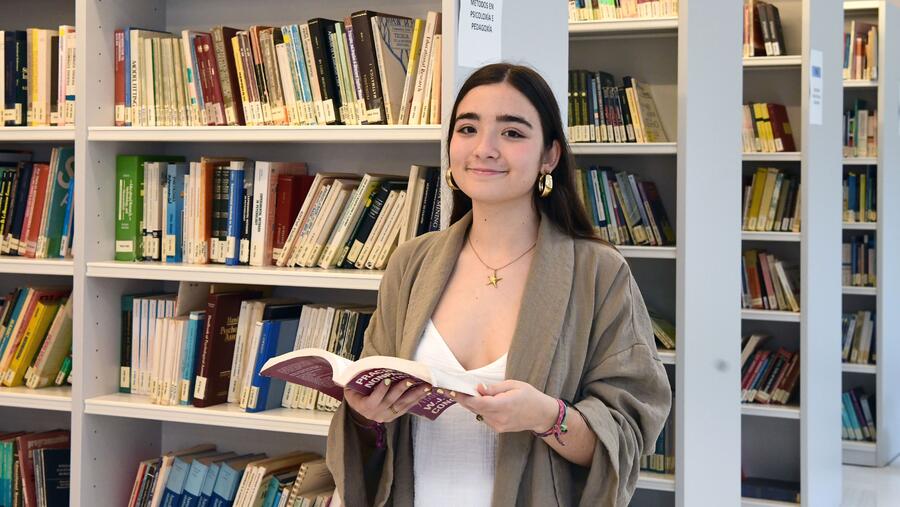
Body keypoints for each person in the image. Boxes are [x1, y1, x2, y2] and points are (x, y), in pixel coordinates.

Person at [326, 62, 672, 507]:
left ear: (549, 156)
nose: (484, 148)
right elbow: (369, 428)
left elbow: (626, 438)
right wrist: (364, 415)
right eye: (468, 129)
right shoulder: (411, 263)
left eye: (512, 133)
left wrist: (546, 416)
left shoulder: (599, 273)